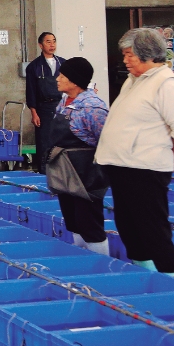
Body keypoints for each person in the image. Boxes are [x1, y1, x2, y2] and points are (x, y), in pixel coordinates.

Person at [96, 28, 174, 279]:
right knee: (128, 225)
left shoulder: (166, 83)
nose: (125, 60)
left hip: (146, 168)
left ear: (147, 55)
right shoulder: (133, 80)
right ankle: (145, 273)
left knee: (152, 227)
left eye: (130, 55)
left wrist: (171, 157)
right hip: (122, 166)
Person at [48, 58, 110, 255]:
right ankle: (82, 260)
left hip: (86, 176)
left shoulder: (93, 107)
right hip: (65, 172)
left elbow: (107, 141)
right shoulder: (64, 101)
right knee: (73, 222)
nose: (57, 79)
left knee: (90, 224)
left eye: (62, 76)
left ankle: (101, 267)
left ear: (75, 81)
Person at [26, 32, 65, 172]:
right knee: (44, 141)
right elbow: (31, 91)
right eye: (48, 42)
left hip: (61, 106)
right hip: (44, 108)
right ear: (40, 45)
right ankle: (44, 171)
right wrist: (34, 113)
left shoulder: (63, 63)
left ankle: (61, 170)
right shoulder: (34, 67)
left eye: (54, 41)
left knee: (61, 139)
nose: (52, 44)